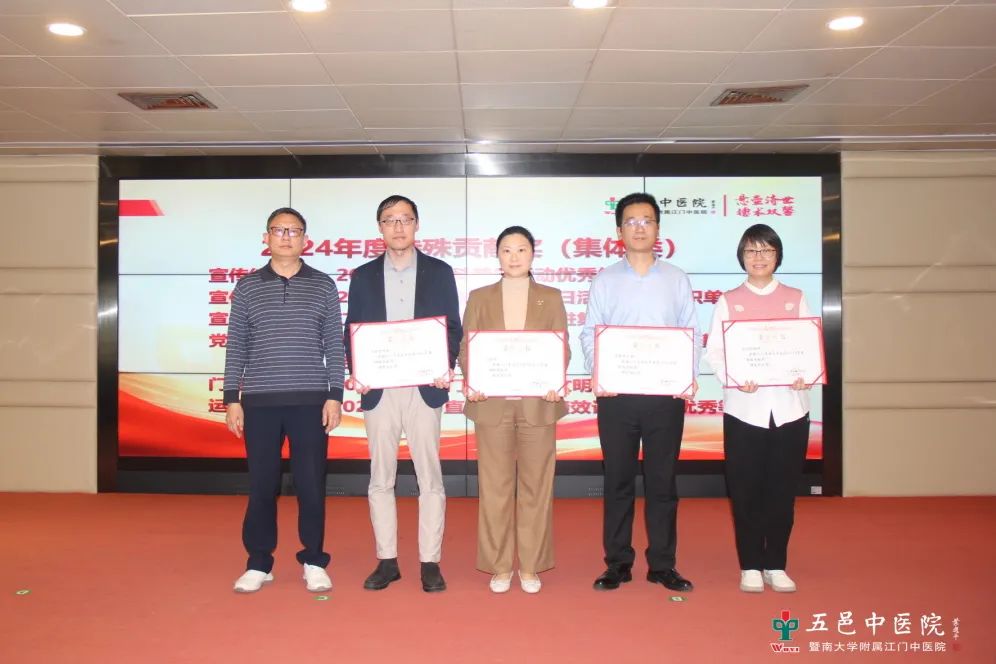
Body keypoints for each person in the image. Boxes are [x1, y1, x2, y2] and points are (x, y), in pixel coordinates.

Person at [579, 192, 699, 593]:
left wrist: (687, 375)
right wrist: (601, 373)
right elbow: (590, 332)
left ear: (658, 228)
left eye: (647, 220)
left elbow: (691, 331)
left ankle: (663, 564)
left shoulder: (676, 278)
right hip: (617, 397)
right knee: (618, 481)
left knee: (663, 483)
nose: (639, 228)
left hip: (665, 397)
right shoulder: (605, 279)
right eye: (631, 221)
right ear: (619, 231)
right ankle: (617, 563)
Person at [343, 194, 462, 593]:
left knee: (430, 478)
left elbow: (452, 328)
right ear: (379, 227)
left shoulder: (440, 272)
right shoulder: (362, 276)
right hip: (379, 389)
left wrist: (445, 365)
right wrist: (359, 370)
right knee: (381, 477)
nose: (398, 227)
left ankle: (430, 562)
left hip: (424, 389)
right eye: (390, 220)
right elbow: (352, 330)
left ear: (416, 225)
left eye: (405, 219)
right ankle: (387, 560)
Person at [224, 207, 344, 594]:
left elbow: (334, 344)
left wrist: (335, 395)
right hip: (260, 402)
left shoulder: (323, 285)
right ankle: (259, 562)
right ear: (266, 237)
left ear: (306, 239)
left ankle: (314, 559)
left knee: (311, 485)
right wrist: (232, 398)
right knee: (262, 485)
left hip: (310, 401)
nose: (286, 237)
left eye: (294, 231)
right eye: (279, 230)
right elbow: (236, 345)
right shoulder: (247, 287)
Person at [460, 226, 570, 594]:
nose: (514, 257)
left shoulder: (550, 297)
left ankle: (532, 565)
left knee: (537, 486)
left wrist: (555, 379)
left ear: (532, 254)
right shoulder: (480, 297)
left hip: (539, 404)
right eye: (506, 250)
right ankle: (500, 565)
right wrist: (473, 379)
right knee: (495, 487)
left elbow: (561, 348)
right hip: (491, 404)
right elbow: (467, 348)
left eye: (521, 249)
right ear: (497, 256)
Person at [705, 223, 813, 593]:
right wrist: (734, 376)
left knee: (782, 491)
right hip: (745, 410)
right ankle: (750, 564)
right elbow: (716, 351)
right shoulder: (729, 300)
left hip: (790, 409)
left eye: (766, 250)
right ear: (742, 256)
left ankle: (776, 564)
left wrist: (805, 374)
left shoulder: (796, 297)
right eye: (752, 250)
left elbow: (808, 346)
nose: (759, 257)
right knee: (746, 490)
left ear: (778, 256)